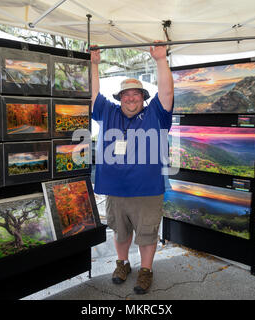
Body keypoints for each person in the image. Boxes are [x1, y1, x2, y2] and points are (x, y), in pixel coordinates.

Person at [90, 41, 174, 294]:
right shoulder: (108, 111)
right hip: (115, 188)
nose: (130, 98)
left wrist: (161, 60)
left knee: (147, 233)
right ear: (120, 98)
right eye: (126, 95)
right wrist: (93, 65)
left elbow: (167, 93)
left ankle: (146, 271)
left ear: (143, 98)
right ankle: (122, 264)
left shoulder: (156, 114)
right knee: (120, 230)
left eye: (136, 94)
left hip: (147, 189)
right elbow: (92, 94)